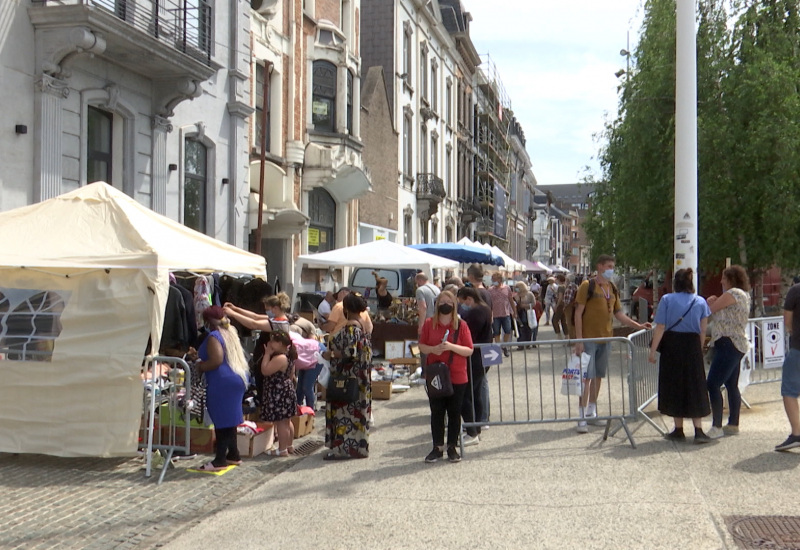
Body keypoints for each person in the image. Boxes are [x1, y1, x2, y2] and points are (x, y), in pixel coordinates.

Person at [573, 255, 650, 433]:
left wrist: (637, 325)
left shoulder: (612, 287)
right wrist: (579, 340)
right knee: (586, 378)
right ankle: (581, 415)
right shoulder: (587, 286)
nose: (611, 269)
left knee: (598, 376)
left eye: (612, 266)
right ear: (599, 266)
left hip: (606, 338)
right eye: (608, 266)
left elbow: (618, 314)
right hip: (588, 339)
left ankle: (592, 411)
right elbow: (578, 313)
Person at [648, 269, 712, 443]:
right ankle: (698, 430)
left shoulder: (667, 300)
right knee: (695, 385)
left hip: (672, 345)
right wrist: (698, 349)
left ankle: (678, 429)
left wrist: (653, 351)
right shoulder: (700, 301)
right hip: (692, 345)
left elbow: (660, 327)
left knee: (674, 384)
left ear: (675, 283)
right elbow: (703, 329)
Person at [187, 306, 249, 471]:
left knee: (221, 420)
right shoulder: (230, 332)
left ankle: (219, 459)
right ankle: (233, 454)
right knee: (231, 419)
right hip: (237, 378)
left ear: (207, 321)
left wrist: (199, 366)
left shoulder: (214, 336)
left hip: (222, 382)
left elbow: (216, 360)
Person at [418, 290, 474, 463]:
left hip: (457, 374)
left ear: (454, 304)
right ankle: (437, 447)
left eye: (449, 301)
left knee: (454, 412)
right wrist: (433, 349)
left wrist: (451, 347)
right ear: (436, 304)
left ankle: (452, 446)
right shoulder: (429, 323)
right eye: (442, 301)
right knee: (437, 412)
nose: (445, 304)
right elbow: (421, 346)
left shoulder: (461, 325)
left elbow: (469, 349)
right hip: (436, 374)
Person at [322, 293, 372, 460]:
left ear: (347, 309)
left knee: (344, 413)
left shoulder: (350, 328)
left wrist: (331, 354)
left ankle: (344, 448)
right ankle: (357, 447)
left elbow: (350, 352)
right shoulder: (362, 326)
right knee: (357, 412)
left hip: (347, 377)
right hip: (360, 376)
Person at [705, 265, 751, 439]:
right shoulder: (743, 295)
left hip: (727, 343)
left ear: (731, 279)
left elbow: (710, 310)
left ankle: (716, 426)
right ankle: (733, 423)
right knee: (731, 384)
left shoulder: (733, 294)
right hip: (736, 343)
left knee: (713, 383)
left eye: (724, 278)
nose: (721, 281)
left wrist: (710, 302)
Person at [457, 286, 492, 446]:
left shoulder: (477, 312)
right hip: (482, 355)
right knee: (475, 393)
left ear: (469, 299)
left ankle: (472, 430)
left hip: (476, 357)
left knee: (468, 394)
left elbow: (470, 334)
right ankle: (475, 427)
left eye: (462, 302)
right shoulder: (484, 309)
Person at [260, 331, 298, 457]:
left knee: (282, 422)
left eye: (272, 341)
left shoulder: (280, 358)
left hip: (279, 392)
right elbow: (291, 376)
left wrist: (266, 354)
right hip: (286, 389)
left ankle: (282, 450)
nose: (270, 343)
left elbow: (265, 370)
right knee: (287, 421)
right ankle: (289, 445)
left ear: (280, 343)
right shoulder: (289, 356)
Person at [776, 277, 800, 451]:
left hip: (799, 347)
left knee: (789, 391)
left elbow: (788, 320)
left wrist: (792, 331)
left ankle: (797, 433)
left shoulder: (795, 290)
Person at [488, 272, 517, 357]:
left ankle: (504, 346)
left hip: (506, 313)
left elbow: (511, 300)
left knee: (508, 330)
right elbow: (489, 302)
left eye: (495, 279)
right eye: (492, 279)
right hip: (495, 314)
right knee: (496, 333)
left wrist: (514, 312)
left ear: (500, 280)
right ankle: (498, 349)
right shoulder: (490, 290)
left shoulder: (507, 288)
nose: (493, 281)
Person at [514, 281, 539, 346]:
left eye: (517, 288)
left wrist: (525, 305)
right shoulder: (516, 295)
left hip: (527, 313)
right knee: (520, 328)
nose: (516, 289)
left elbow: (534, 303)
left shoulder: (529, 294)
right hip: (519, 313)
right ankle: (520, 344)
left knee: (528, 328)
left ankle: (528, 343)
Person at [551, 273, 568, 338]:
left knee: (554, 320)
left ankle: (559, 334)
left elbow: (560, 297)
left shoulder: (560, 287)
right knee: (563, 321)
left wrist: (556, 305)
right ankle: (567, 335)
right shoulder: (565, 286)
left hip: (560, 305)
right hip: (564, 305)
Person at [563, 274, 579, 339]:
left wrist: (565, 306)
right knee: (573, 323)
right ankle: (574, 338)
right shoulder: (575, 286)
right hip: (574, 306)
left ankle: (572, 339)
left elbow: (568, 298)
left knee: (569, 323)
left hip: (569, 306)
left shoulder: (570, 286)